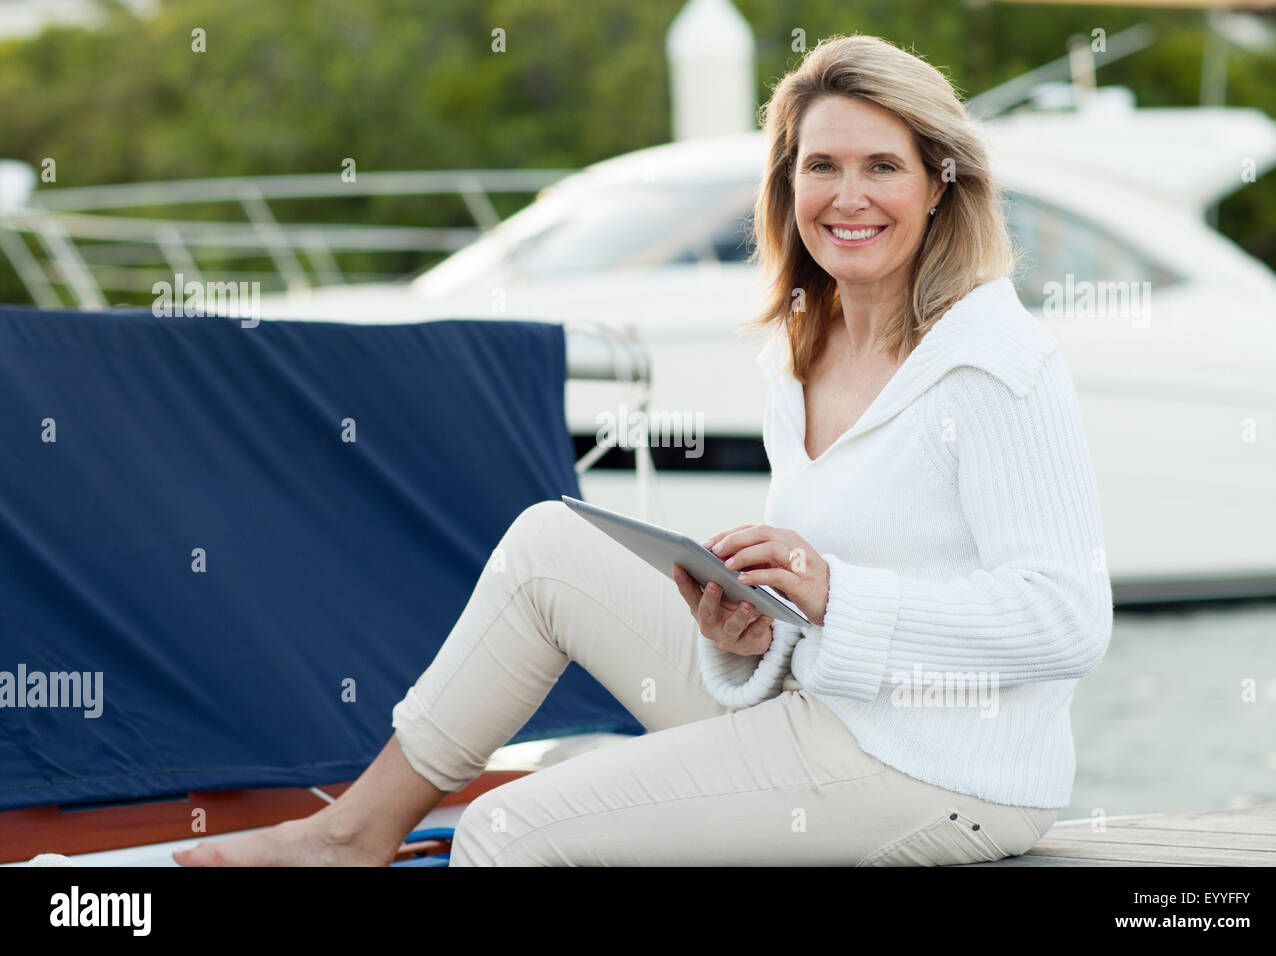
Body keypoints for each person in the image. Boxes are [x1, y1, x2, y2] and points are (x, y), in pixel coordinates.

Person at [174, 32, 1112, 867]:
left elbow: (1067, 620)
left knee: (506, 833)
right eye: (821, 165)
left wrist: (839, 595)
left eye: (883, 166)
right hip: (817, 713)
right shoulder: (800, 349)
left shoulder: (993, 361)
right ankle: (353, 833)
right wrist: (741, 637)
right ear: (787, 186)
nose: (849, 196)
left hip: (942, 771)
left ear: (940, 181)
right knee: (551, 544)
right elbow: (814, 624)